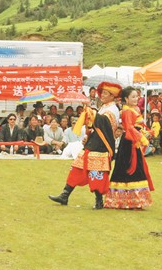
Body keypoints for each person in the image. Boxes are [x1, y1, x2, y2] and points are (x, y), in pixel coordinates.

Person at [48, 81, 119, 209]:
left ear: (112, 96)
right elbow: (97, 125)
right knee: (77, 167)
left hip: (102, 145)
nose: (102, 95)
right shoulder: (104, 107)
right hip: (93, 143)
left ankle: (99, 201)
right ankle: (65, 195)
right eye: (102, 93)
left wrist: (91, 112)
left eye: (105, 93)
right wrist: (89, 132)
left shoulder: (113, 109)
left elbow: (105, 125)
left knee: (97, 173)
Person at [104, 87, 154, 210]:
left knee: (134, 170)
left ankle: (133, 200)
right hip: (129, 143)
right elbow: (129, 128)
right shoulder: (126, 111)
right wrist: (142, 139)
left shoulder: (133, 109)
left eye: (137, 96)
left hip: (133, 141)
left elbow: (136, 127)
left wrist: (144, 133)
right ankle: (131, 201)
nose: (136, 99)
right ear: (126, 99)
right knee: (130, 170)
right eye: (133, 97)